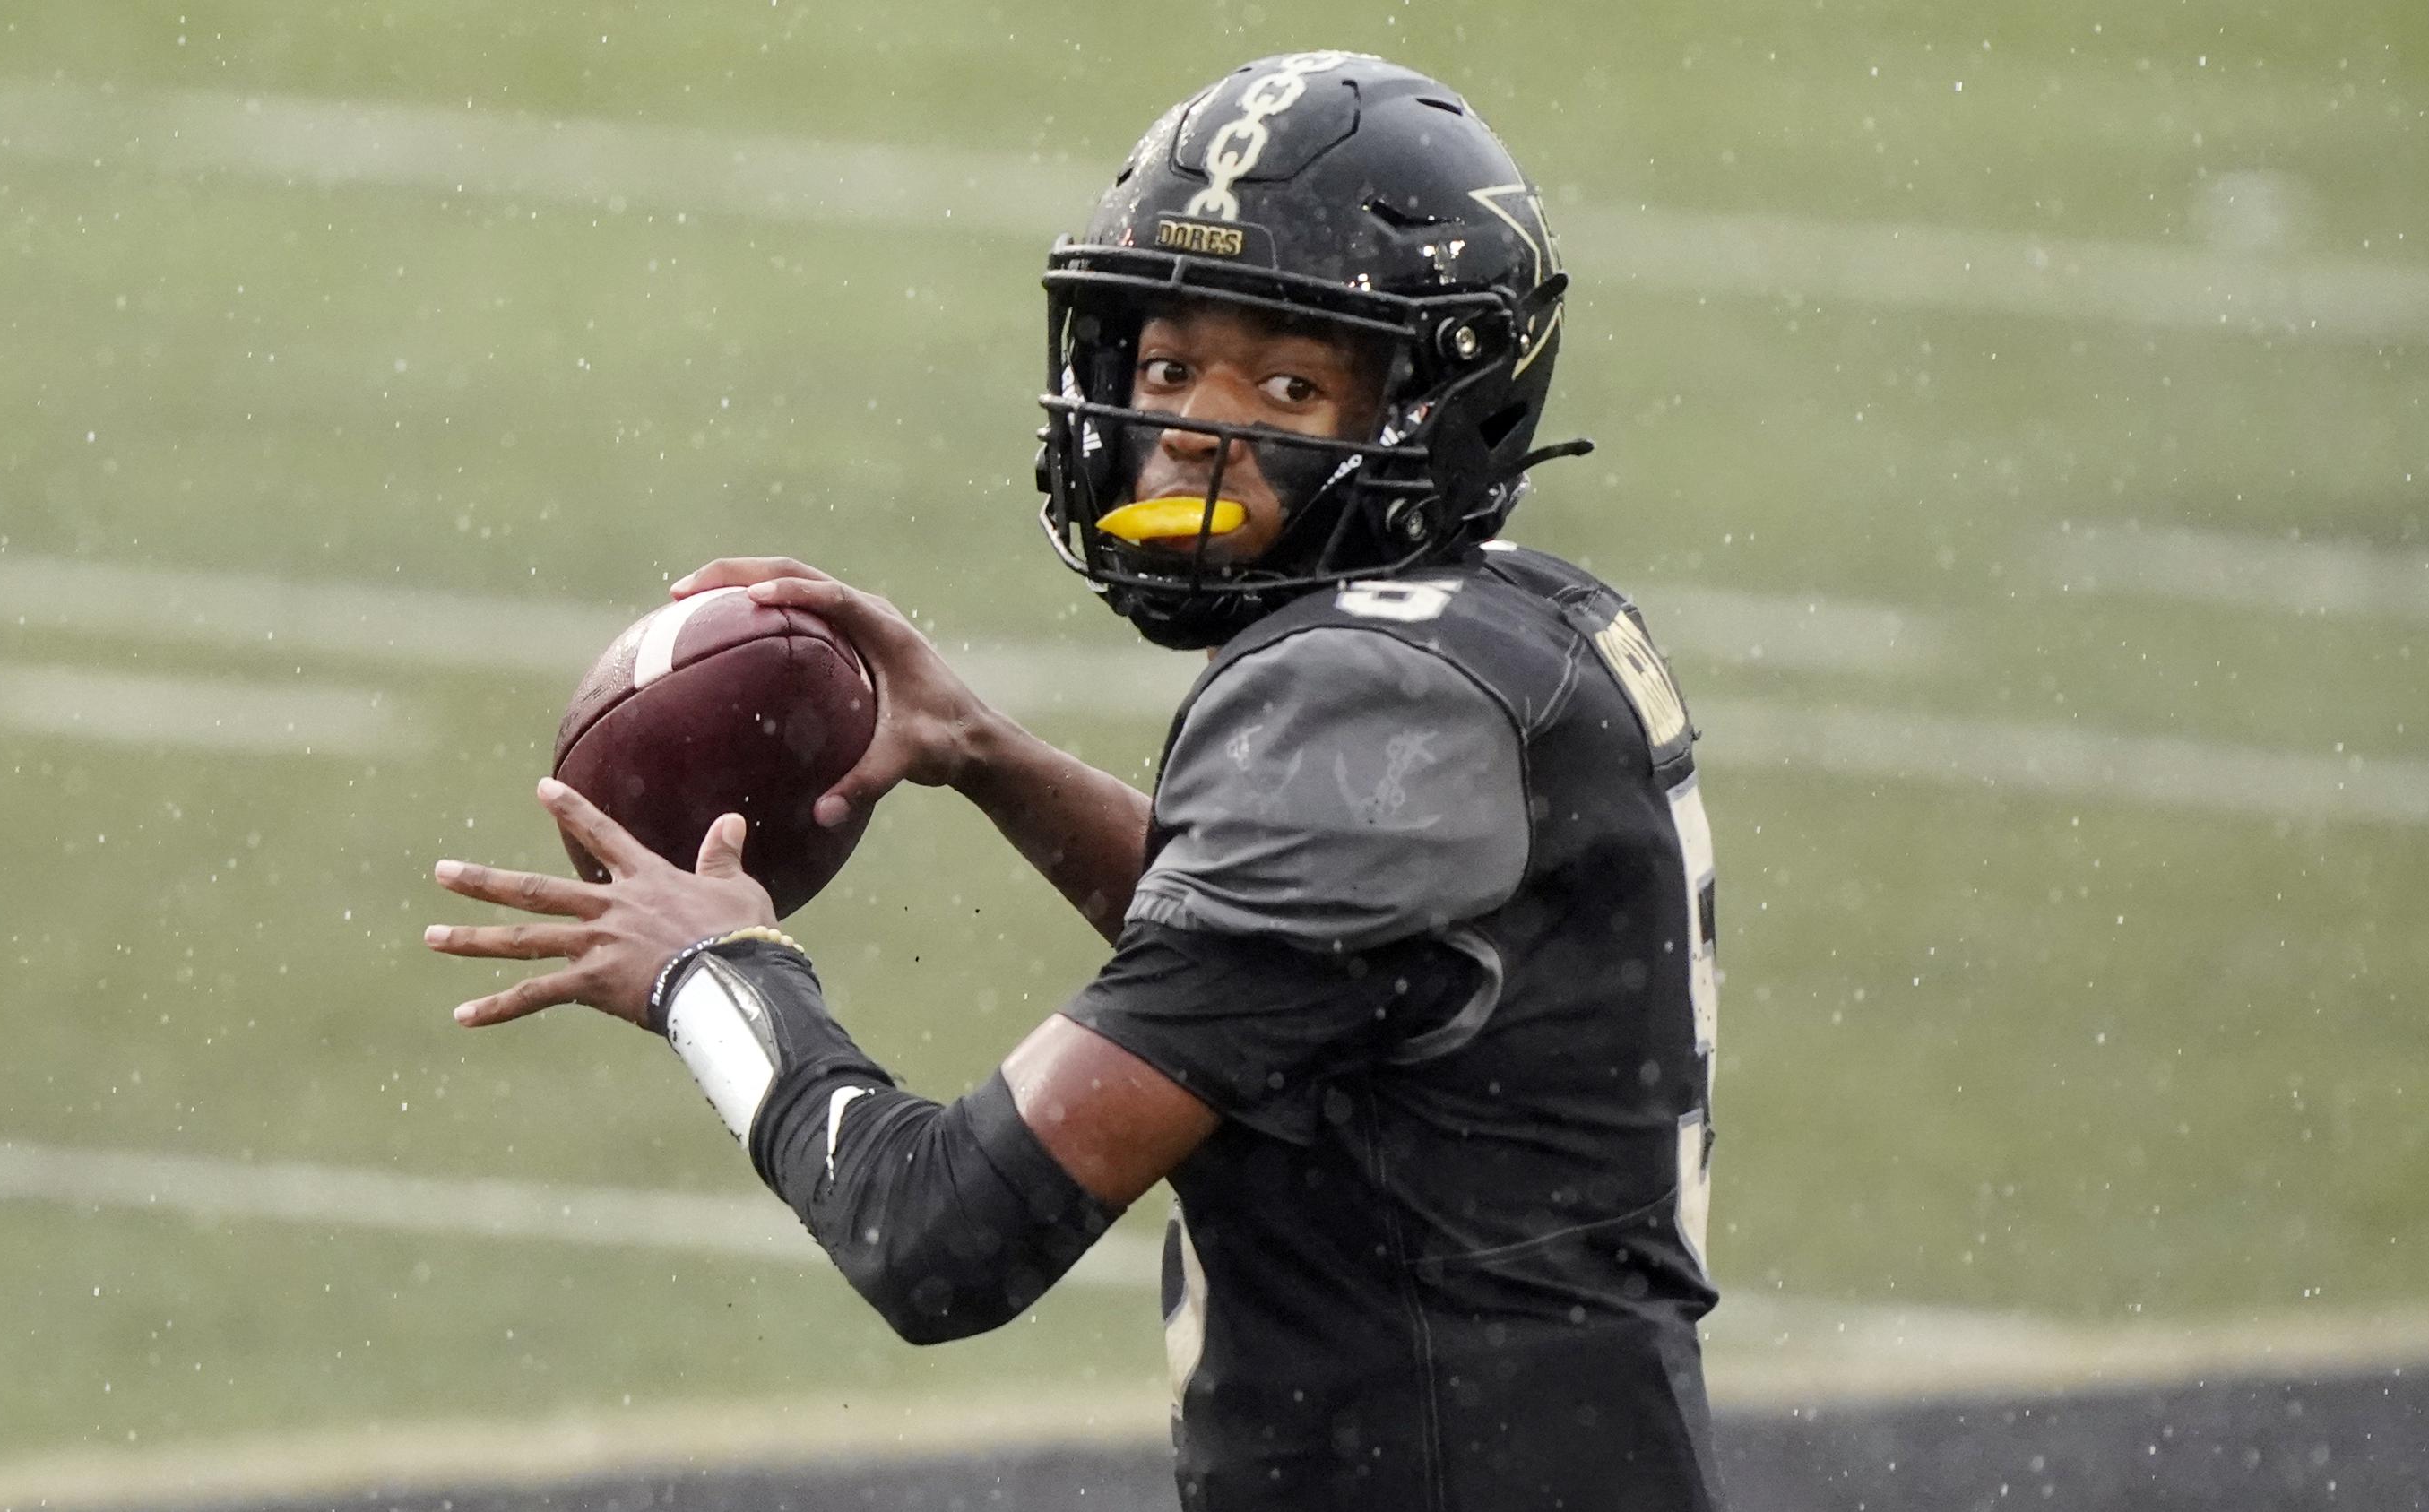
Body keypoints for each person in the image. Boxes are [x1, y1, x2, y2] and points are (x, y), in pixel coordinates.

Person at [426, 52, 1726, 1511]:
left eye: (1289, 383)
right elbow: (1306, 985)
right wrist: (992, 757)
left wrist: (713, 975)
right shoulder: (1525, 625)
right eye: (1170, 366)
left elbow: (935, 1239)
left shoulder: (1363, 710)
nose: (1192, 428)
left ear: (1442, 401)